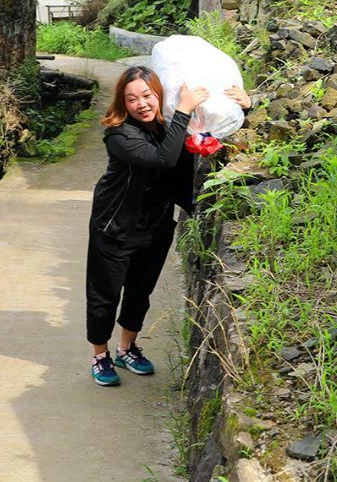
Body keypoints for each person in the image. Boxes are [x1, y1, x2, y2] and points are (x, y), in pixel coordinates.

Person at [85, 66, 250, 386]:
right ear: (123, 103)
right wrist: (184, 110)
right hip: (114, 227)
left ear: (159, 95)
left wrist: (245, 106)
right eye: (131, 99)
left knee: (140, 292)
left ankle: (126, 348)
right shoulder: (119, 134)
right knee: (104, 296)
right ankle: (100, 354)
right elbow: (162, 159)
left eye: (147, 95)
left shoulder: (170, 123)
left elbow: (213, 126)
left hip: (155, 225)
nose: (141, 104)